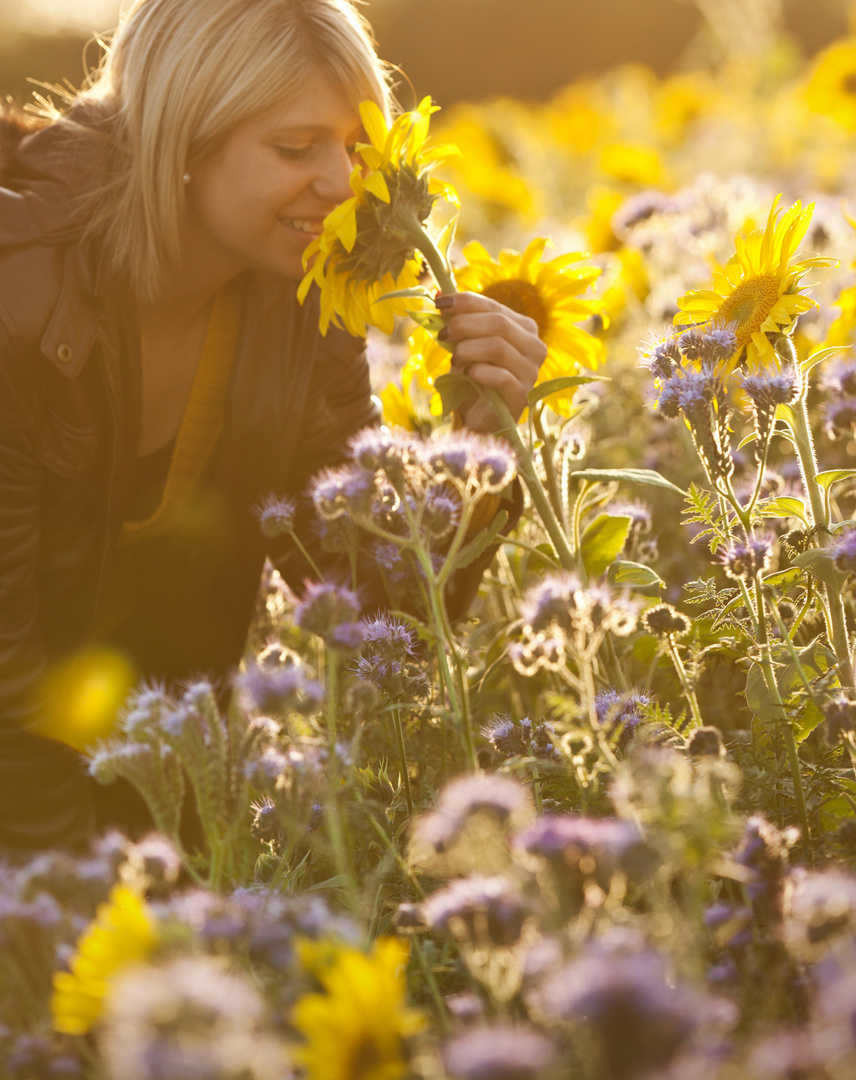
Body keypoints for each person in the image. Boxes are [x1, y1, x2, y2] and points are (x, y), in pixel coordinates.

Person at [0, 0, 546, 851]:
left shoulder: (302, 305)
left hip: (147, 814)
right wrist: (81, 922)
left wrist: (478, 451)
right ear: (181, 141)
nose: (344, 185)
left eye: (359, 150)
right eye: (296, 148)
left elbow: (379, 623)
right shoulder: (18, 296)